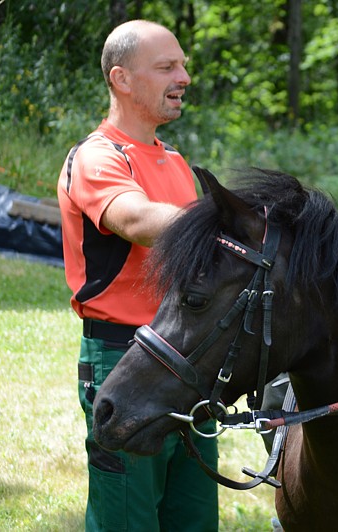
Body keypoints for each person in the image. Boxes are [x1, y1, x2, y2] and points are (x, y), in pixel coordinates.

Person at [57, 20, 219, 531]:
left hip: (191, 358)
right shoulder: (98, 156)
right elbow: (135, 220)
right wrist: (226, 226)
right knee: (126, 520)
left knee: (193, 519)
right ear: (122, 79)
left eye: (184, 64)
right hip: (123, 361)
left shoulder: (176, 161)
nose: (185, 76)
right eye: (167, 66)